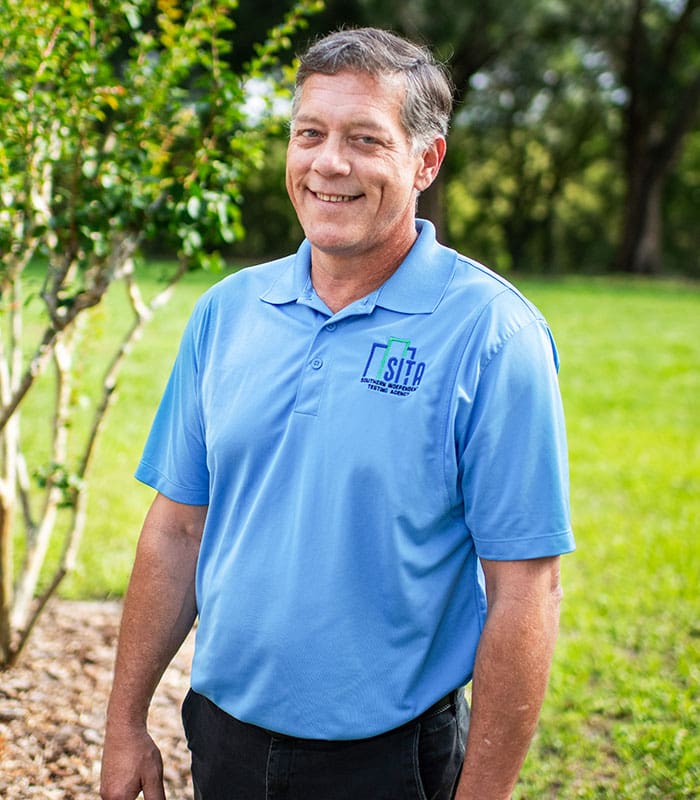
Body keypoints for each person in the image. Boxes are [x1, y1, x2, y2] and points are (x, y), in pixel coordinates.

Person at [100, 27, 575, 800]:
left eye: (365, 138)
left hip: (389, 762)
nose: (329, 163)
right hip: (223, 739)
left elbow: (526, 586)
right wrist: (124, 723)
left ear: (426, 159)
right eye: (309, 134)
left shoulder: (494, 335)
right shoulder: (228, 312)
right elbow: (178, 526)